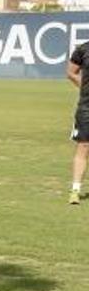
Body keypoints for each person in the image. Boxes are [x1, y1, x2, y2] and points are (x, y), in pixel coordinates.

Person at [66, 40, 89, 204]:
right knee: (84, 146)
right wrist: (85, 87)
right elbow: (71, 72)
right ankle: (75, 190)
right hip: (87, 107)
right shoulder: (83, 49)